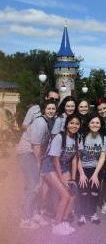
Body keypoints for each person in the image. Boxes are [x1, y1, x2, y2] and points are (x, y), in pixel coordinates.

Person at [16, 99, 57, 229]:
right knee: (33, 186)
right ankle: (25, 219)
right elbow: (36, 146)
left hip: (32, 154)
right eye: (49, 108)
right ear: (44, 109)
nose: (51, 111)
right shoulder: (41, 123)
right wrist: (38, 165)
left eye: (53, 109)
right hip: (27, 153)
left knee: (36, 185)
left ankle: (34, 213)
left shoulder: (47, 121)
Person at [41, 115, 82, 236]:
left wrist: (73, 179)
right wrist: (61, 180)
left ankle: (63, 221)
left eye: (77, 124)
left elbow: (74, 158)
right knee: (65, 194)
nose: (74, 126)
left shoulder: (78, 138)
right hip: (50, 166)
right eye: (72, 123)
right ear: (67, 125)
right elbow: (55, 160)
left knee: (73, 194)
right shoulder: (60, 137)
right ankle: (56, 224)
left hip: (64, 167)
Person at [77, 114, 106, 225]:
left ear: (101, 125)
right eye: (92, 122)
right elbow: (78, 157)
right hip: (83, 167)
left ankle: (92, 213)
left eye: (97, 123)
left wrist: (96, 174)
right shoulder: (82, 136)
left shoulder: (104, 138)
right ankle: (82, 214)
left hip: (96, 168)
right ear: (88, 124)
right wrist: (81, 174)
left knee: (95, 191)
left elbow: (102, 157)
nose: (95, 125)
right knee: (84, 190)